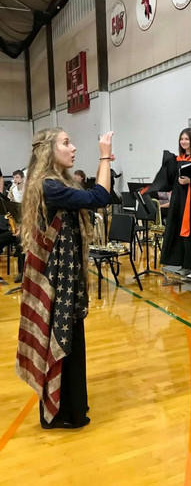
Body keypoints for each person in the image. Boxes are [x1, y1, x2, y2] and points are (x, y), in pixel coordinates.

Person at [16, 127, 113, 429]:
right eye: (66, 143)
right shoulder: (50, 186)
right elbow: (101, 197)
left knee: (71, 342)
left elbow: (100, 196)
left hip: (64, 278)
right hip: (58, 281)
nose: (73, 148)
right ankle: (62, 412)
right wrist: (105, 155)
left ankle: (70, 409)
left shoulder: (57, 183)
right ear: (49, 150)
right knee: (63, 340)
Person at [160, 128, 191, 276]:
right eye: (182, 139)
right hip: (179, 199)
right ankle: (184, 263)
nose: (183, 142)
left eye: (187, 139)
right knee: (178, 228)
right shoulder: (179, 159)